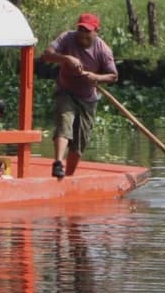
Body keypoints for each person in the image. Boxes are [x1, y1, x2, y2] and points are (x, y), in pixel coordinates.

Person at [40, 12, 118, 180]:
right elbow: (46, 54)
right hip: (66, 90)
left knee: (79, 142)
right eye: (81, 30)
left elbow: (113, 76)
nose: (83, 34)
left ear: (96, 31)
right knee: (64, 122)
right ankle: (58, 163)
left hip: (87, 97)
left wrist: (96, 77)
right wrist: (66, 58)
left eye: (87, 31)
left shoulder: (103, 50)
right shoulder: (67, 38)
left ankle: (68, 177)